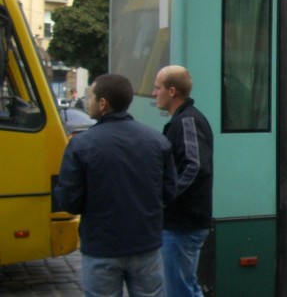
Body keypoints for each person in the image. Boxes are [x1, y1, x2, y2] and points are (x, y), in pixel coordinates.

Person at [54, 74, 177, 297]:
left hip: (101, 246)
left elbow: (69, 200)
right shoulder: (157, 141)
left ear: (103, 103)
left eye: (90, 96)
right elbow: (169, 192)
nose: (87, 101)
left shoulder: (81, 145)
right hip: (145, 244)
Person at [153, 65, 214, 297]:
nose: (153, 93)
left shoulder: (187, 121)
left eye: (157, 88)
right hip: (183, 221)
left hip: (183, 222)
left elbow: (195, 165)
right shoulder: (184, 119)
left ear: (172, 91)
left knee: (179, 289)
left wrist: (167, 196)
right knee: (185, 286)